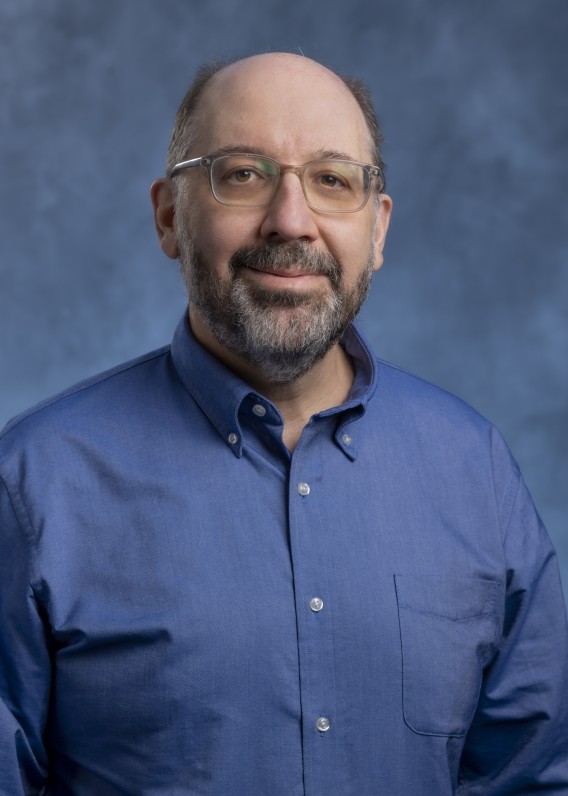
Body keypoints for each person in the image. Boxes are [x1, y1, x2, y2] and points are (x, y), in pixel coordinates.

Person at [0, 52, 567, 796]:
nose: (291, 221)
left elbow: (535, 778)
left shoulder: (474, 470)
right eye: (243, 173)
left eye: (333, 180)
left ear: (379, 229)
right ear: (170, 216)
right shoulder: (33, 484)